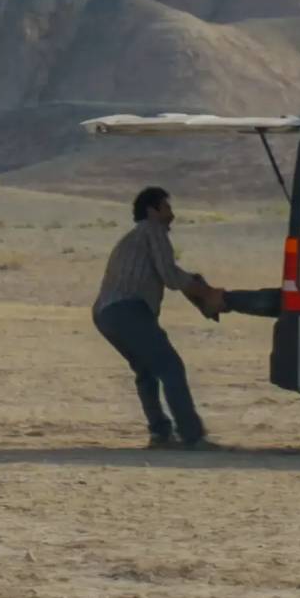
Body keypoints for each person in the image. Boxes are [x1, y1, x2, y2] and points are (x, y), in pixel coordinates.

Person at [92, 186, 226, 450]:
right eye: (167, 208)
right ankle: (192, 436)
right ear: (152, 211)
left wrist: (195, 286)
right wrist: (207, 293)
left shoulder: (133, 236)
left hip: (105, 314)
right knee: (171, 368)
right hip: (128, 310)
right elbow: (169, 275)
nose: (171, 215)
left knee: (146, 372)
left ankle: (160, 433)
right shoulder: (153, 231)